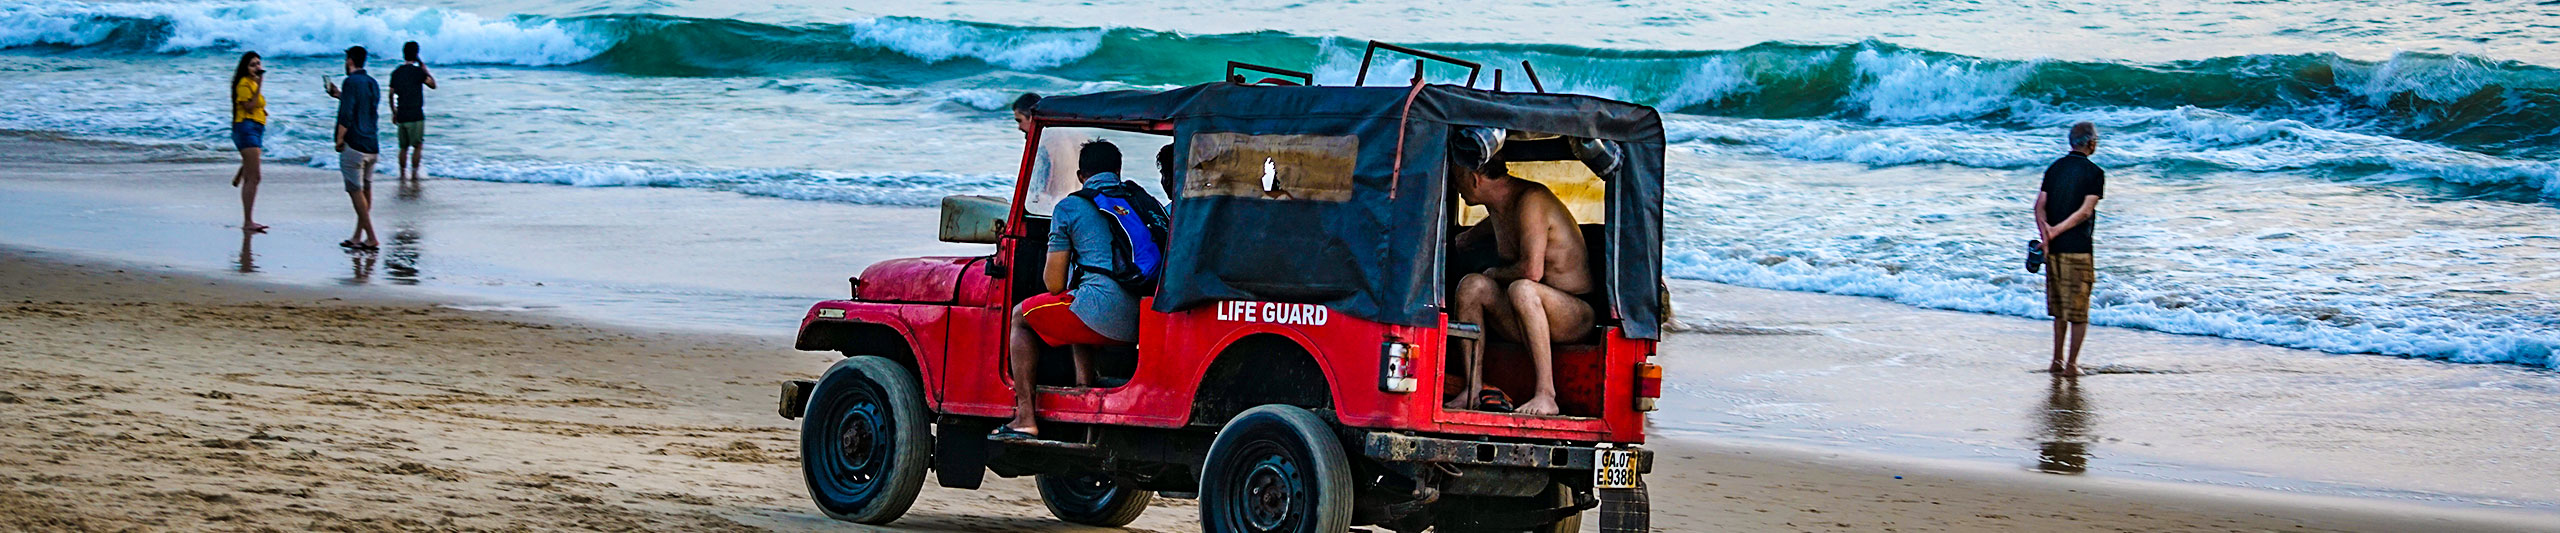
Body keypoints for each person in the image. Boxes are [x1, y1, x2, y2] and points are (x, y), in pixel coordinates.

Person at [996, 140, 1158, 440]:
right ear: (1117, 171)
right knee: (1078, 298)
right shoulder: (1139, 201)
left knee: (1021, 316)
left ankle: (1025, 417)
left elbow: (1054, 284)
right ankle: (1084, 386)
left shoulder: (1070, 207)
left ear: (1081, 175)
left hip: (1101, 318)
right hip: (1146, 321)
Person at [1448, 159, 1594, 416]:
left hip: (1574, 313)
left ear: (1474, 179)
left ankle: (1546, 395)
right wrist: (1466, 239)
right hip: (1530, 313)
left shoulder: (1531, 200)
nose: (1455, 185)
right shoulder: (1498, 205)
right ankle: (1473, 388)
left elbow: (1532, 271)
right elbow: (1493, 228)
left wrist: (1493, 273)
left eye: (1457, 178)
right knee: (1472, 285)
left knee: (1522, 289)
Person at [2036, 122, 2105, 377]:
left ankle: (2056, 360)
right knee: (2078, 311)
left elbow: (2039, 206)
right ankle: (2072, 365)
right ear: (2091, 143)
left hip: (2053, 249)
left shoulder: (2054, 168)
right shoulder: (2094, 173)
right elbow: (2085, 211)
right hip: (2078, 248)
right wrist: (2055, 231)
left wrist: (2047, 233)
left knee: (2059, 309)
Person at [325, 46, 382, 250]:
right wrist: (340, 95)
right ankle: (358, 236)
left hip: (355, 144)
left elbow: (347, 114)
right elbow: (364, 107)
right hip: (372, 144)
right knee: (366, 188)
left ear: (350, 60)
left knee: (355, 190)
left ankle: (372, 236)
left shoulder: (350, 82)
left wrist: (339, 139)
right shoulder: (373, 83)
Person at [228, 52, 270, 233]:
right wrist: (260, 86)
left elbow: (257, 106)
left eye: (258, 64)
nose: (257, 68)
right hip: (246, 129)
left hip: (255, 129)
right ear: (245, 67)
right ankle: (248, 221)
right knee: (255, 177)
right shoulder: (244, 84)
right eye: (253, 65)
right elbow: (249, 106)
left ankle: (240, 174)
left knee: (253, 169)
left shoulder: (252, 83)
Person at [388, 41, 437, 182]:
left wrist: (394, 112)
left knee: (403, 147)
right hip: (416, 114)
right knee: (417, 145)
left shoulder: (396, 72)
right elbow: (433, 85)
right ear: (416, 55)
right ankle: (414, 173)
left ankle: (402, 173)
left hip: (402, 114)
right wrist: (424, 68)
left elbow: (391, 94)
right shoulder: (418, 72)